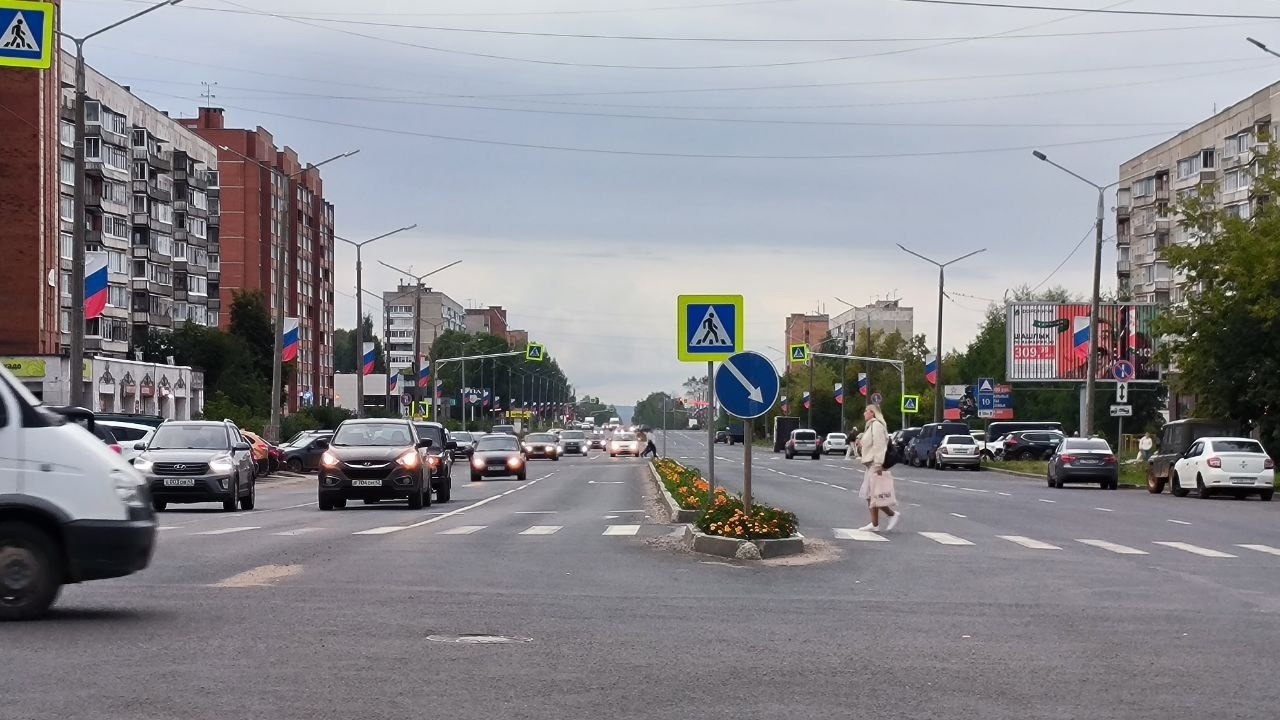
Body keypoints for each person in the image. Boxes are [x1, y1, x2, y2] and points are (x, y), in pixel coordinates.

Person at [857, 404, 900, 532]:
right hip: (870, 464)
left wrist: (878, 464)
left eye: (866, 411)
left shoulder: (876, 426)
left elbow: (879, 446)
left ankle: (891, 514)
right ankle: (875, 524)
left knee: (872, 494)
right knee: (870, 494)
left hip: (875, 464)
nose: (864, 413)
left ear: (872, 413)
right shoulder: (870, 426)